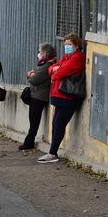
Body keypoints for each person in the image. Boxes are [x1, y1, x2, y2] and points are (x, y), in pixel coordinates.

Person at [37, 34, 86, 163]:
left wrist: (56, 70)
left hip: (68, 97)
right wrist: (56, 69)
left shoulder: (77, 57)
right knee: (56, 124)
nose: (67, 47)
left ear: (76, 45)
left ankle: (53, 153)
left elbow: (59, 73)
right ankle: (52, 152)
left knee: (59, 125)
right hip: (60, 96)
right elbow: (50, 69)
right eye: (65, 45)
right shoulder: (67, 57)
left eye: (69, 44)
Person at [20, 43, 57, 150]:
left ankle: (29, 142)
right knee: (33, 120)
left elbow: (35, 79)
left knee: (34, 121)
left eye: (40, 52)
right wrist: (32, 75)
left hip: (39, 97)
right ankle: (29, 141)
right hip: (36, 95)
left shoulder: (47, 66)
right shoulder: (43, 64)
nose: (38, 54)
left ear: (46, 53)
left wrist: (30, 75)